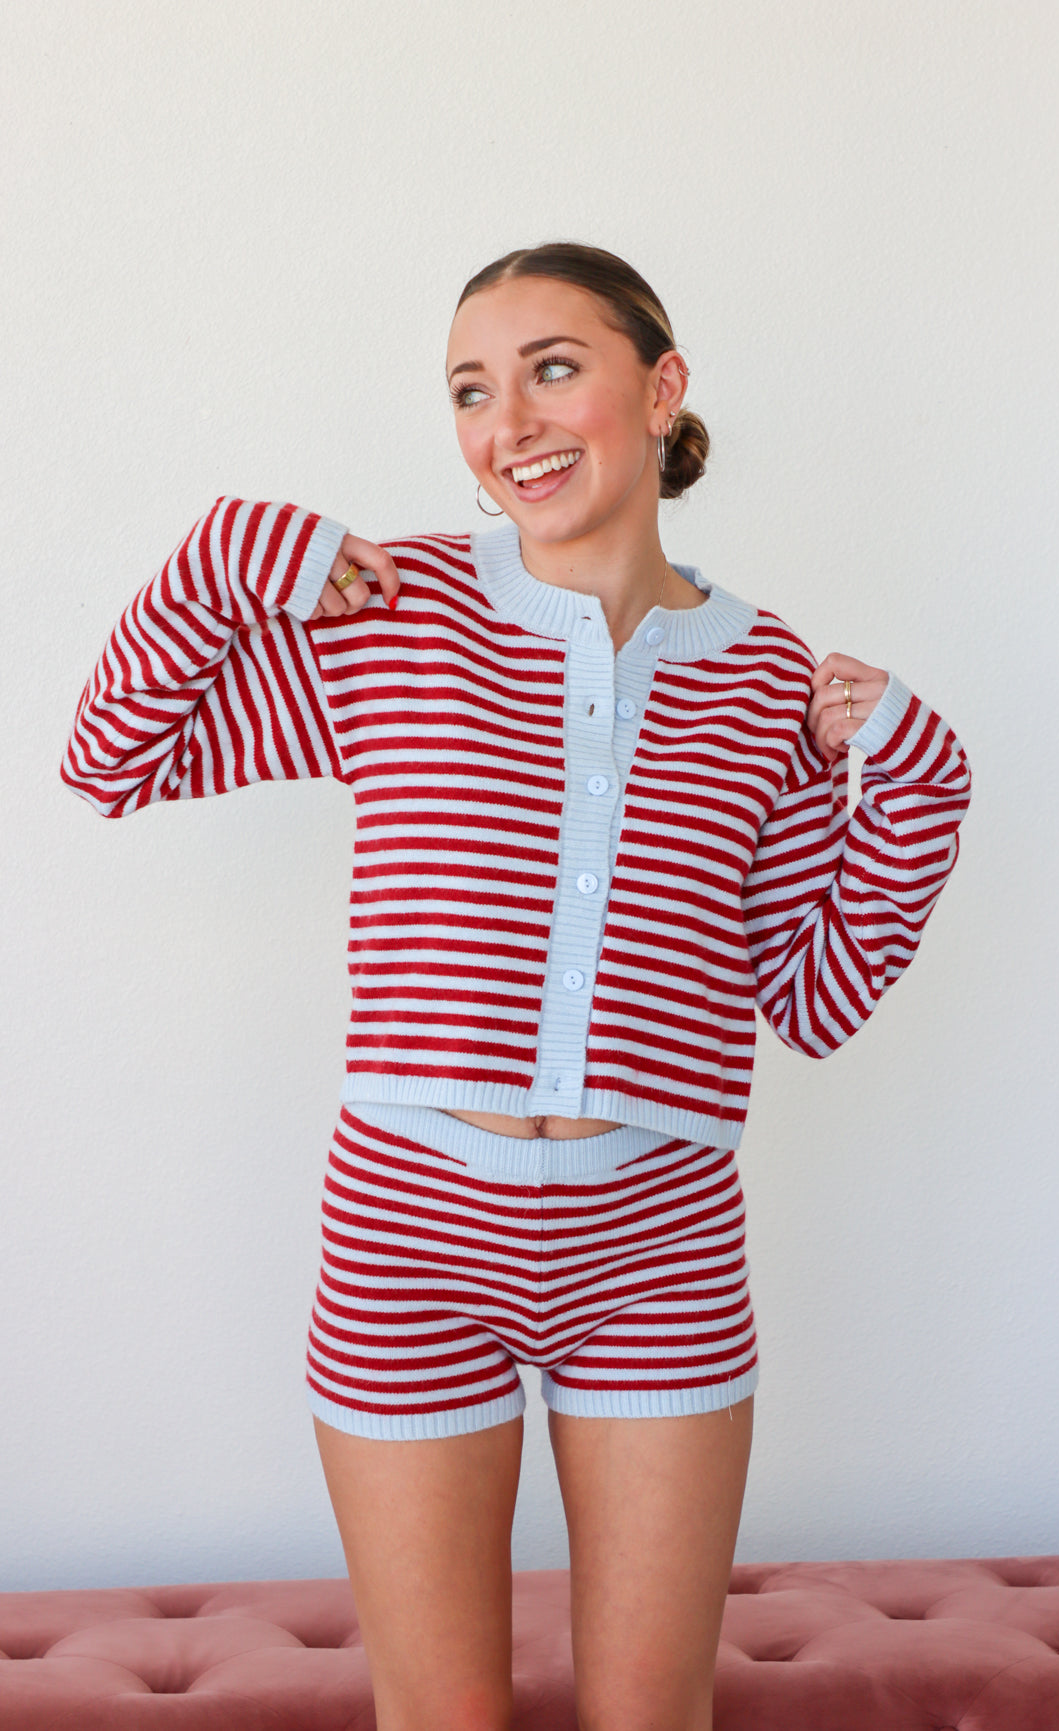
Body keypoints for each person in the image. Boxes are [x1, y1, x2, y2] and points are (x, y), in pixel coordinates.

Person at [62, 242, 971, 1731]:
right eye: (471, 392)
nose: (510, 424)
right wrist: (229, 551)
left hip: (660, 1249)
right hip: (405, 1239)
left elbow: (816, 1000)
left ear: (661, 389)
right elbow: (113, 756)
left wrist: (920, 784)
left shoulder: (765, 677)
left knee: (651, 1719)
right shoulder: (398, 611)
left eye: (553, 369)